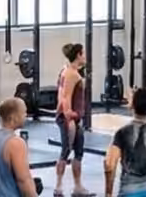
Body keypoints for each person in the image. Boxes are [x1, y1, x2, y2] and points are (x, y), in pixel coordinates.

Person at [106, 87, 146, 197]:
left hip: (130, 190)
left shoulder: (122, 133)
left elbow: (109, 165)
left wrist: (108, 193)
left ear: (132, 106)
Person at [0, 97, 40, 197]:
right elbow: (23, 180)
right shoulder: (15, 143)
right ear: (14, 117)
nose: (26, 115)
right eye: (24, 112)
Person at [54, 43, 91, 196]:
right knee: (66, 151)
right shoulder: (71, 74)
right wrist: (69, 116)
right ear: (78, 55)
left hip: (73, 118)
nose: (85, 57)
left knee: (78, 152)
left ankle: (77, 187)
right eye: (83, 53)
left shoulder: (67, 71)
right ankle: (58, 187)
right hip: (70, 118)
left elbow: (61, 94)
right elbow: (65, 97)